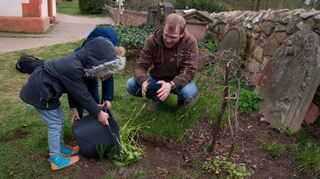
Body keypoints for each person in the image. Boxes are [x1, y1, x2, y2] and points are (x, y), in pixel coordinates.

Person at [19, 37, 126, 170]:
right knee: (55, 124)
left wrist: (83, 107)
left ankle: (61, 147)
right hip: (40, 93)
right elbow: (82, 94)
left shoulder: (79, 61)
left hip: (47, 90)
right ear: (96, 64)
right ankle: (56, 159)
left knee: (60, 119)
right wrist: (98, 113)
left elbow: (75, 90)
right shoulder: (73, 68)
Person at [125, 13, 199, 110]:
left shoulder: (190, 42)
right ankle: (157, 98)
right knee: (131, 85)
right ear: (163, 28)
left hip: (179, 82)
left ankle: (181, 103)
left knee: (189, 93)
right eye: (166, 35)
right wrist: (143, 81)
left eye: (173, 37)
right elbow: (140, 66)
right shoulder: (152, 41)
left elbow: (190, 70)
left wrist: (171, 85)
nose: (168, 40)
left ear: (182, 34)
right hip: (158, 79)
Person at [71, 27, 125, 120]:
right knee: (85, 87)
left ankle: (97, 116)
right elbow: (74, 85)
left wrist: (107, 98)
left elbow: (108, 77)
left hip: (96, 64)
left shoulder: (110, 58)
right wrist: (74, 106)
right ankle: (78, 118)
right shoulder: (80, 59)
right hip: (86, 69)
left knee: (95, 102)